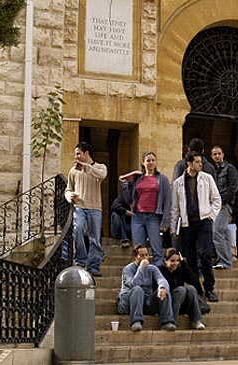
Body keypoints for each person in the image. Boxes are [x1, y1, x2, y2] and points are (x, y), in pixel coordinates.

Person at [170, 151, 222, 302]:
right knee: (190, 258)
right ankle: (196, 289)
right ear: (189, 164)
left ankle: (210, 287)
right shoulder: (178, 183)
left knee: (205, 254)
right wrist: (174, 228)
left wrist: (211, 216)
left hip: (204, 221)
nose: (201, 164)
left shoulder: (207, 178)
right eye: (198, 162)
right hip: (187, 224)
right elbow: (175, 208)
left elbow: (216, 199)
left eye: (201, 162)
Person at [119, 151, 171, 266]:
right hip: (137, 216)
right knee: (138, 249)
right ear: (143, 162)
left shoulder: (162, 179)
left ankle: (157, 276)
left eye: (153, 160)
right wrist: (134, 174)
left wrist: (166, 220)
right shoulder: (138, 178)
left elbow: (167, 201)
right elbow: (122, 180)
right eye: (148, 160)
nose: (151, 163)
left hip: (154, 216)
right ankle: (140, 274)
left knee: (156, 248)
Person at [64, 142, 107, 277]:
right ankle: (80, 261)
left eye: (78, 153)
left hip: (95, 207)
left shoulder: (100, 167)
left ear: (86, 153)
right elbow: (68, 189)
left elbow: (101, 175)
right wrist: (69, 196)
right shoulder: (73, 171)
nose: (76, 156)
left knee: (95, 238)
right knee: (77, 229)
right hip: (79, 207)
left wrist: (86, 168)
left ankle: (94, 266)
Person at [117, 244, 176, 332]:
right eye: (141, 255)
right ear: (135, 257)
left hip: (145, 301)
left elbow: (161, 279)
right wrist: (141, 267)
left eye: (146, 255)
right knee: (138, 289)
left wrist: (162, 287)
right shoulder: (127, 269)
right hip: (128, 301)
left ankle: (166, 321)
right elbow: (133, 284)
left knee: (164, 290)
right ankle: (136, 321)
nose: (144, 258)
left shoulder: (152, 268)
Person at [158, 247, 206, 330]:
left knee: (190, 288)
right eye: (172, 261)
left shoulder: (179, 269)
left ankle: (196, 320)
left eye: (177, 261)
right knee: (181, 289)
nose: (175, 263)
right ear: (165, 260)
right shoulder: (160, 270)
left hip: (180, 301)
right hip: (166, 302)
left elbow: (195, 281)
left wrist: (183, 262)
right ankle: (172, 321)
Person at [210, 146, 238, 269]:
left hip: (223, 205)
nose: (217, 156)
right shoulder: (212, 171)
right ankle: (227, 259)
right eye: (214, 154)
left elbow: (234, 186)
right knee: (224, 234)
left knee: (217, 232)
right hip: (214, 205)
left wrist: (223, 201)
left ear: (223, 154)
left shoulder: (230, 168)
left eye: (219, 153)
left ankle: (225, 261)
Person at [110, 181, 132, 248]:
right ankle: (124, 240)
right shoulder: (121, 199)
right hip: (119, 230)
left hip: (132, 229)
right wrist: (128, 213)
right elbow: (114, 206)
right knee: (116, 214)